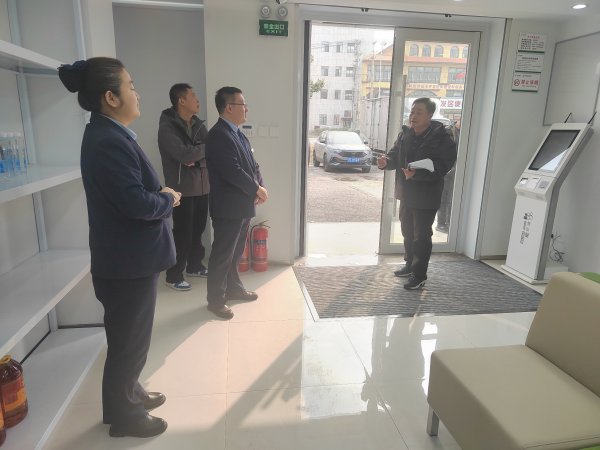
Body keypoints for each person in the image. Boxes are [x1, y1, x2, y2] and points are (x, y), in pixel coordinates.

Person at [58, 57, 180, 438]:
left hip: (125, 260)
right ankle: (126, 417)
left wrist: (158, 194)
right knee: (130, 343)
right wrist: (167, 199)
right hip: (129, 263)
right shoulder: (109, 141)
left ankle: (126, 398)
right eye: (130, 86)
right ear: (111, 97)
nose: (136, 93)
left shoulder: (108, 134)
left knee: (127, 340)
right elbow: (135, 203)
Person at [377, 98, 456, 290]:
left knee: (421, 237)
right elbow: (394, 156)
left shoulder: (442, 139)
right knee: (407, 232)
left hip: (427, 195)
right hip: (406, 193)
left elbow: (442, 167)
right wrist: (386, 162)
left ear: (429, 115)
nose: (413, 116)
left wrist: (417, 174)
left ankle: (419, 275)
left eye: (419, 112)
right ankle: (409, 265)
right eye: (412, 112)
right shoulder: (405, 134)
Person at [205, 87, 268, 319]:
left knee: (235, 252)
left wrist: (260, 186)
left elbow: (252, 165)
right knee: (222, 254)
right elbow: (233, 171)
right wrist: (256, 189)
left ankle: (234, 288)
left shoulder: (238, 134)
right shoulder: (218, 135)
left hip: (242, 204)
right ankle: (215, 300)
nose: (246, 108)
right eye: (243, 104)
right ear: (229, 107)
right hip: (228, 207)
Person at [158, 83, 210, 291]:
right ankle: (173, 275)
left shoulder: (198, 124)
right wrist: (196, 153)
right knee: (183, 233)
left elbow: (211, 152)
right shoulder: (167, 127)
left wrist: (196, 157)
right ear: (181, 101)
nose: (197, 100)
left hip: (203, 186)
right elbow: (183, 155)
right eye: (193, 96)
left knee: (198, 230)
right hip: (181, 190)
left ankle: (194, 266)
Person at [436, 119, 460, 233]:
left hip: (457, 171)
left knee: (452, 198)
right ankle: (441, 223)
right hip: (446, 171)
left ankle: (450, 223)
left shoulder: (466, 134)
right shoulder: (448, 132)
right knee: (443, 198)